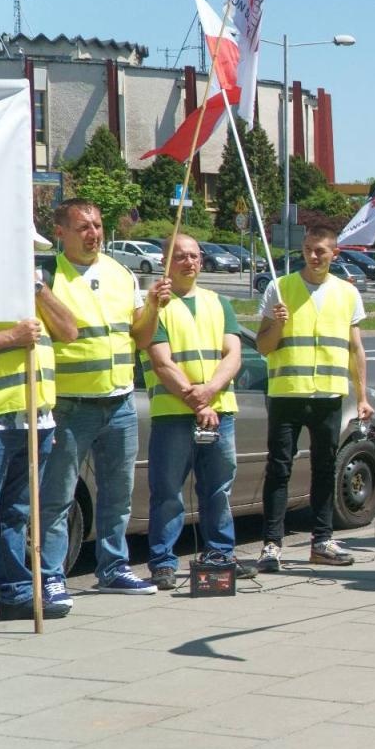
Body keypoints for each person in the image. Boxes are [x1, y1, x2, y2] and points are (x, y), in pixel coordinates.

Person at [38, 199, 162, 605]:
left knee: (117, 493)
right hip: (70, 404)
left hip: (120, 400)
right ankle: (51, 575)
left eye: (97, 225)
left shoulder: (121, 273)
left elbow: (141, 338)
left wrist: (154, 307)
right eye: (83, 227)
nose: (93, 234)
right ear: (62, 233)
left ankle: (113, 567)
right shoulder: (49, 275)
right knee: (58, 496)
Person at [254, 226, 373, 571]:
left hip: (328, 394)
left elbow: (355, 349)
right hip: (287, 393)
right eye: (308, 249)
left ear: (335, 254)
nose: (314, 256)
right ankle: (271, 545)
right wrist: (276, 324)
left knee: (325, 467)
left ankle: (321, 540)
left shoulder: (347, 293)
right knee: (279, 467)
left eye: (321, 250)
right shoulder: (281, 288)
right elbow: (263, 346)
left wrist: (362, 396)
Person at [136, 234, 244, 590]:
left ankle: (221, 556)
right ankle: (163, 562)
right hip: (173, 412)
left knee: (218, 489)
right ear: (166, 261)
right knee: (167, 491)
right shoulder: (156, 307)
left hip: (219, 412)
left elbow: (233, 355)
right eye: (180, 257)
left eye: (194, 256)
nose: (189, 263)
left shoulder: (219, 303)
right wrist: (197, 400)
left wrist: (210, 393)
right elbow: (161, 361)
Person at [0, 257, 78, 619]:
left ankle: (15, 591)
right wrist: (11, 338)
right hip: (0, 420)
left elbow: (69, 331)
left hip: (34, 421)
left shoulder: (35, 291)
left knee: (16, 513)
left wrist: (38, 288)